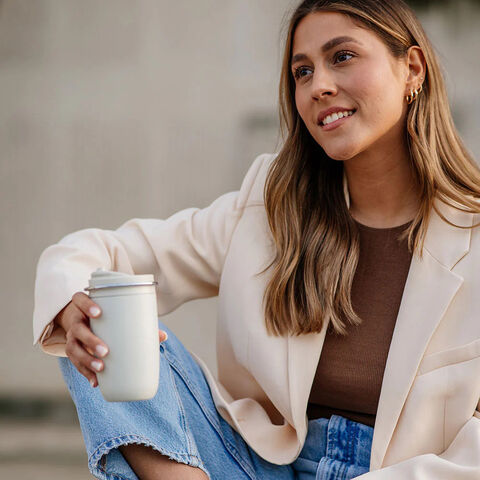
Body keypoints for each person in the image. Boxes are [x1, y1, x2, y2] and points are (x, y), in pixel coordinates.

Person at [33, 0, 480, 479]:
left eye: (342, 56)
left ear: (412, 69)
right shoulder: (269, 207)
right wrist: (72, 307)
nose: (319, 86)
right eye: (302, 72)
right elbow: (91, 254)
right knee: (96, 323)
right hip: (255, 467)